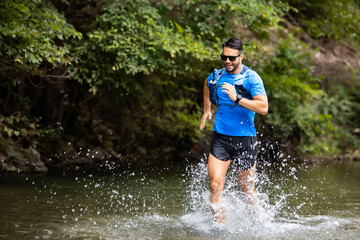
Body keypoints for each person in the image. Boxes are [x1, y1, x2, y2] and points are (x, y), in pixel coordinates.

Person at [200, 37, 268, 225]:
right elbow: (207, 85)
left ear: (241, 56)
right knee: (215, 186)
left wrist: (236, 98)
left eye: (232, 58)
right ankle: (219, 230)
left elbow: (263, 108)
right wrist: (207, 110)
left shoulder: (251, 78)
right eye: (224, 57)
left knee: (246, 188)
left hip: (246, 139)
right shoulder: (217, 75)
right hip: (221, 138)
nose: (227, 62)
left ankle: (262, 224)